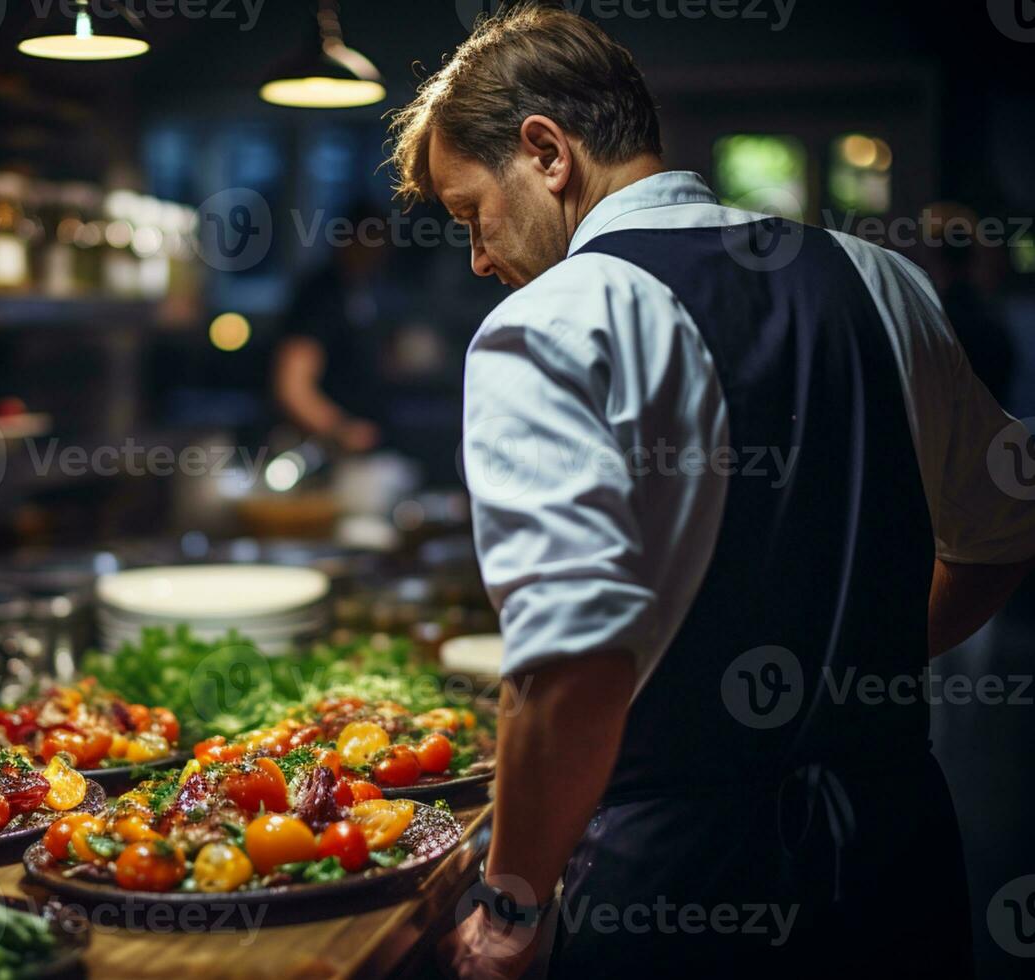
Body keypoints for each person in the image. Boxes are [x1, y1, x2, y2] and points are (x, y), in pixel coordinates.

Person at [386, 4, 1035, 978]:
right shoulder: (884, 280)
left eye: (472, 213)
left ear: (546, 153)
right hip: (900, 863)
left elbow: (571, 665)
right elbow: (998, 536)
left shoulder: (552, 322)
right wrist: (854, 665)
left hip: (675, 890)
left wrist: (513, 899)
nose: (478, 258)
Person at [272, 202, 393, 455]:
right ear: (346, 238)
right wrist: (341, 429)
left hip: (370, 445)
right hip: (314, 450)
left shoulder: (373, 292)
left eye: (383, 239)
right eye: (369, 237)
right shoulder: (319, 296)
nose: (379, 249)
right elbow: (292, 387)